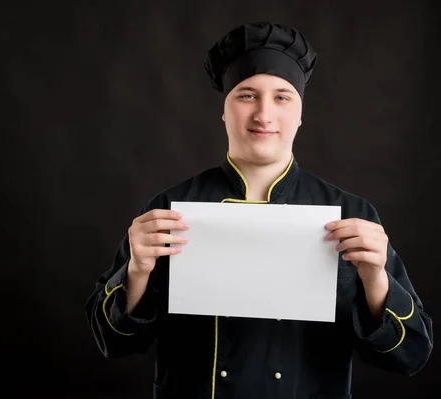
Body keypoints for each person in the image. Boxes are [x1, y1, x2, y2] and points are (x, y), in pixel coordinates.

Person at [84, 21, 433, 398]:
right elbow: (112, 343)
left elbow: (410, 355)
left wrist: (375, 279)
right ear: (224, 110)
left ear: (300, 114)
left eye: (282, 97)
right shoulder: (168, 210)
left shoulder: (350, 214)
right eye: (247, 95)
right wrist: (136, 270)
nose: (264, 115)